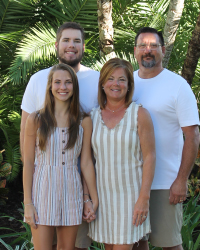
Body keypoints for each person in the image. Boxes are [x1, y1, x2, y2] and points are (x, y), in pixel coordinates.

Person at [20, 22, 99, 250]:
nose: (62, 87)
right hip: (42, 189)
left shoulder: (83, 121)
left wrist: (92, 199)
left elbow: (85, 162)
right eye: (57, 83)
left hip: (73, 190)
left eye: (67, 83)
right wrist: (27, 202)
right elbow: (27, 163)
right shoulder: (37, 119)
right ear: (50, 86)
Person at [132, 27, 199, 250]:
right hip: (131, 181)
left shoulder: (177, 85)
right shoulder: (125, 84)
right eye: (142, 46)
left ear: (162, 50)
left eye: (153, 46)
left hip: (165, 182)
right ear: (135, 51)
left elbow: (192, 135)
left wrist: (181, 180)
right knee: (137, 242)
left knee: (170, 245)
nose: (147, 50)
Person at [87, 58, 156, 250]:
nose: (115, 84)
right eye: (110, 78)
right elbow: (88, 161)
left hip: (131, 197)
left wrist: (144, 198)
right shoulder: (92, 116)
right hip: (103, 197)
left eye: (121, 79)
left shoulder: (139, 114)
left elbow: (150, 157)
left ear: (129, 85)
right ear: (102, 84)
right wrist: (89, 199)